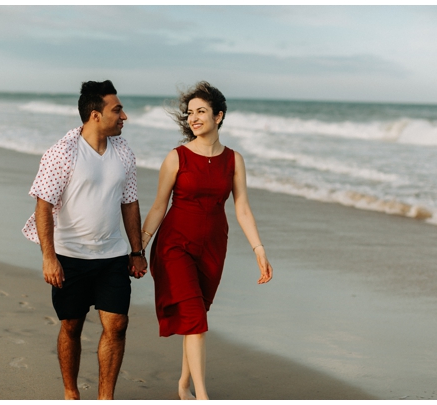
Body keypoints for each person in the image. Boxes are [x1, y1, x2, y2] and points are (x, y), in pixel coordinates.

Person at [139, 81, 274, 400]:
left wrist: (259, 248)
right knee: (195, 319)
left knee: (196, 316)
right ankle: (202, 396)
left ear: (219, 115)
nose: (194, 118)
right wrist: (138, 248)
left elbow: (242, 208)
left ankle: (184, 384)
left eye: (201, 111)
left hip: (214, 245)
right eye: (190, 113)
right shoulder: (177, 158)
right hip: (174, 245)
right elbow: (159, 205)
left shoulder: (234, 160)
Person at [21, 80, 147, 400]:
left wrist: (136, 250)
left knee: (117, 324)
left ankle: (106, 398)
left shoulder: (123, 151)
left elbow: (129, 202)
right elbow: (43, 206)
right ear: (95, 115)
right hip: (70, 257)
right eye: (117, 110)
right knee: (72, 327)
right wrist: (49, 258)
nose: (124, 116)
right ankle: (71, 392)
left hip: (112, 256)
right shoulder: (61, 153)